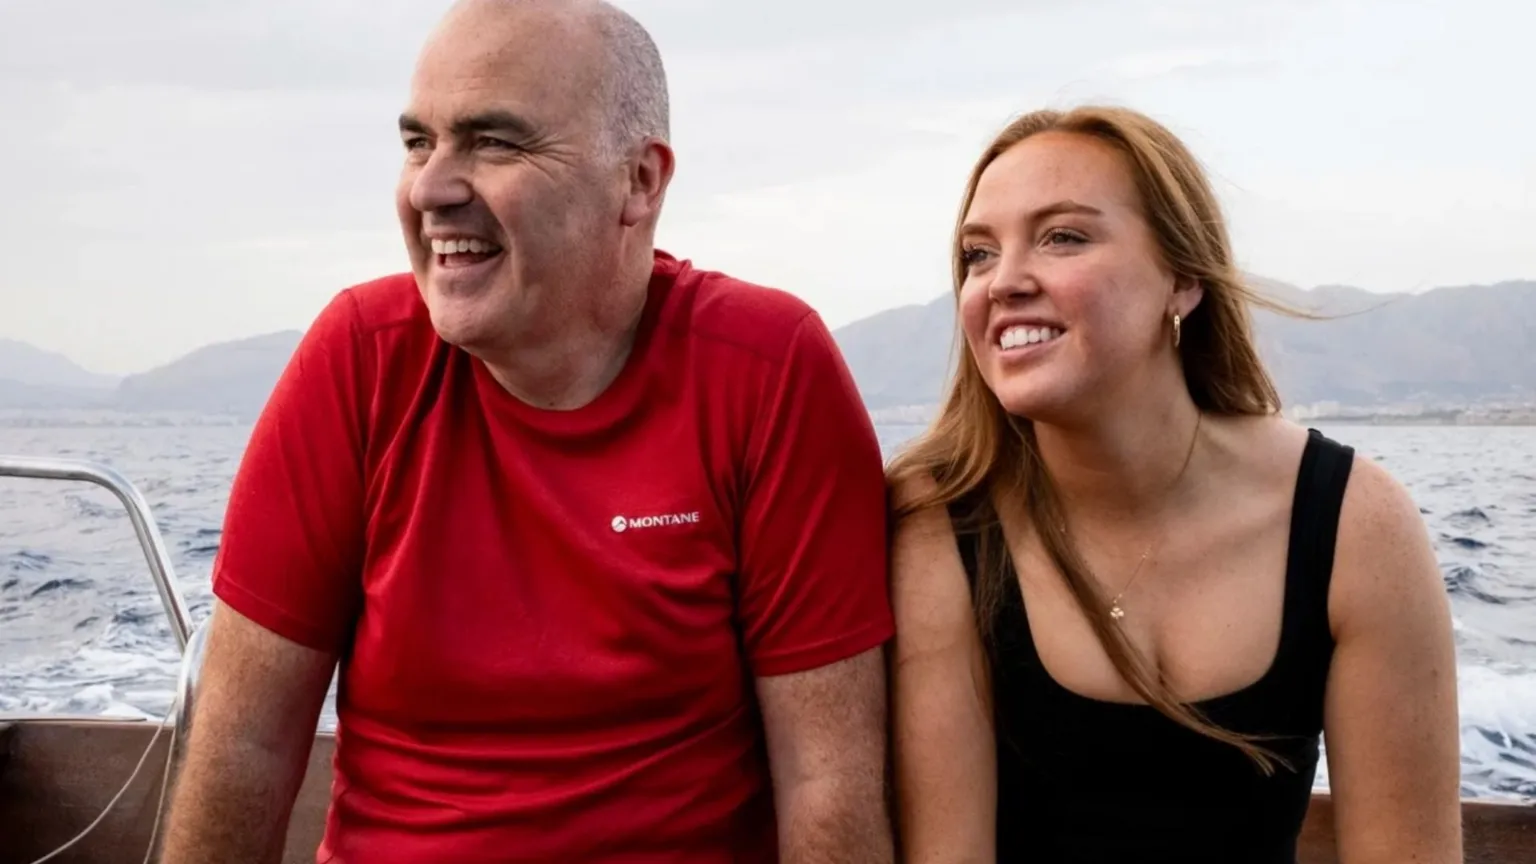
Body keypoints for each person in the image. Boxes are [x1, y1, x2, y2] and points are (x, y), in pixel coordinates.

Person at [156, 1, 896, 861]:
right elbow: (245, 747)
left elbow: (827, 784)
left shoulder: (765, 372)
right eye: (417, 142)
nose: (431, 187)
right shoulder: (358, 360)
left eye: (494, 142)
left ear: (640, 182)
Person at [885, 105, 1463, 863]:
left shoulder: (1354, 522)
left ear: (1183, 277)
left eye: (1063, 237)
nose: (1004, 282)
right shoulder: (942, 525)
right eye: (979, 254)